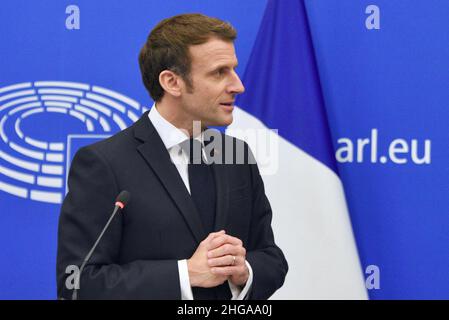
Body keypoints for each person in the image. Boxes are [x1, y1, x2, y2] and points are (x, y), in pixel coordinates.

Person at [57, 13, 287, 300]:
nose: (238, 85)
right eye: (219, 72)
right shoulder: (103, 163)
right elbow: (77, 283)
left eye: (234, 69)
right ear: (172, 82)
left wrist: (244, 271)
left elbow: (271, 258)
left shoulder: (236, 155)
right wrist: (185, 274)